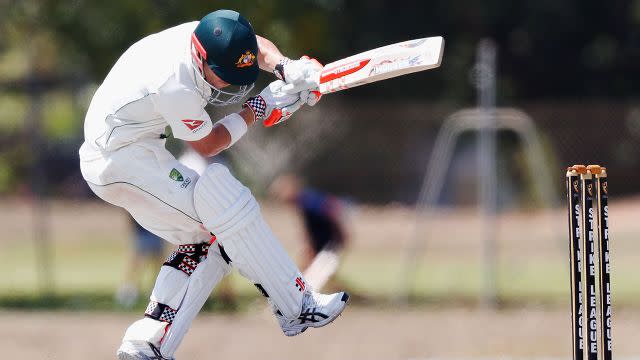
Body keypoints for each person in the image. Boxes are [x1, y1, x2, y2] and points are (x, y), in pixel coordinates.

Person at [78, 10, 349, 360]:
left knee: (210, 233)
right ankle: (296, 305)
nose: (226, 85)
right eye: (222, 76)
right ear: (202, 58)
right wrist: (261, 105)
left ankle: (147, 343)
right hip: (118, 160)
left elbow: (254, 46)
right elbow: (207, 145)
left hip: (139, 147)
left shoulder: (206, 34)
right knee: (221, 213)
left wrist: (287, 67)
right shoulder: (173, 83)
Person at [270, 174, 349, 291]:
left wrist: (340, 234)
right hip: (322, 243)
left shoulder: (309, 201)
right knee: (321, 274)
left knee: (316, 277)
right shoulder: (303, 203)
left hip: (329, 243)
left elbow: (331, 213)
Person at [115, 217, 166, 309]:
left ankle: (154, 291)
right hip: (143, 231)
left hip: (155, 231)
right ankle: (129, 291)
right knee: (137, 263)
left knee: (158, 263)